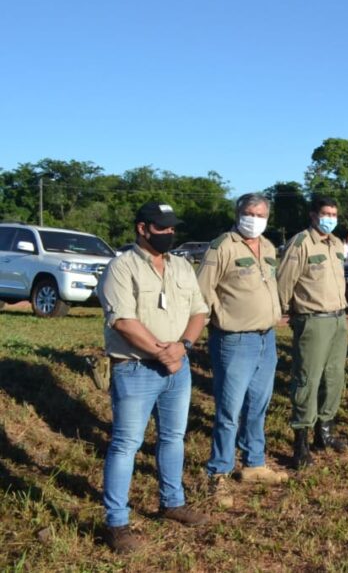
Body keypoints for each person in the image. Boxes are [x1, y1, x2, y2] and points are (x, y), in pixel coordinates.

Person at [98, 201, 210, 553]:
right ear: (142, 228)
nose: (169, 233)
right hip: (135, 369)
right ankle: (116, 522)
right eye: (162, 228)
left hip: (178, 368)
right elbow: (123, 321)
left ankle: (171, 503)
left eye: (172, 227)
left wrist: (183, 346)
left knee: (173, 437)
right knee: (126, 444)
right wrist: (164, 353)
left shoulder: (182, 266)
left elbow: (199, 311)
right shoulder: (121, 268)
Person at [196, 193, 287, 509]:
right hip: (234, 340)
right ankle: (218, 472)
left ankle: (254, 463)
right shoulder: (222, 246)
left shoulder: (270, 247)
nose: (255, 218)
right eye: (249, 212)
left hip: (266, 339)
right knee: (228, 410)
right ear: (238, 213)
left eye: (261, 214)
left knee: (258, 405)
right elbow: (202, 292)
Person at [277, 197, 348, 470]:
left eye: (333, 213)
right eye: (325, 213)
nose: (330, 218)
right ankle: (301, 441)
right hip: (313, 320)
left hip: (338, 319)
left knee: (334, 377)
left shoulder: (337, 244)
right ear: (313, 215)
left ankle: (325, 432)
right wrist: (288, 315)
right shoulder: (300, 243)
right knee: (307, 379)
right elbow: (284, 283)